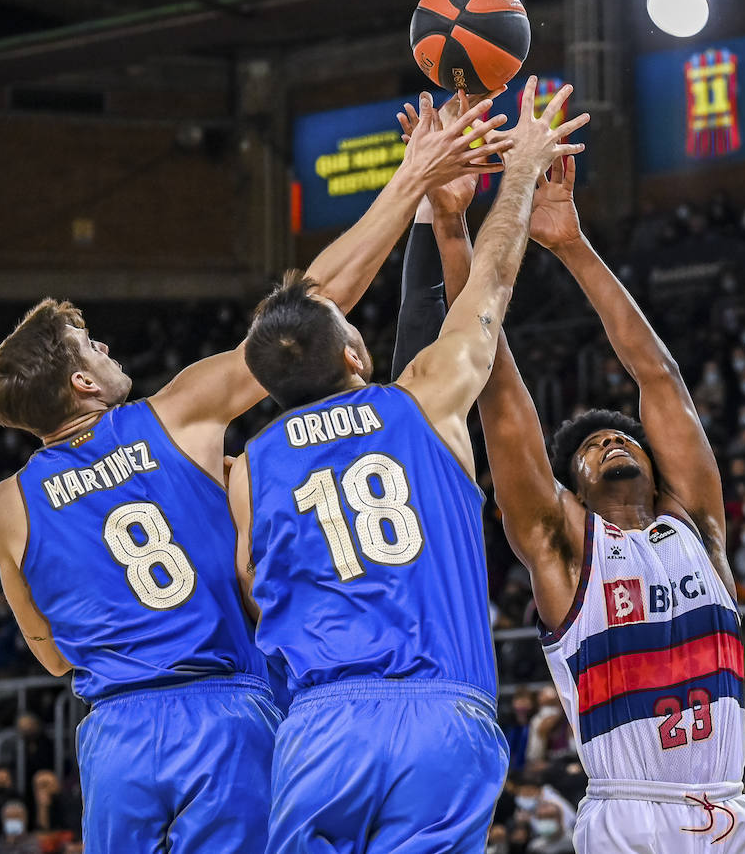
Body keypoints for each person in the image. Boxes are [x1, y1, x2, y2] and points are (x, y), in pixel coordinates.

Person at [0, 89, 511, 851]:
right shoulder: (174, 415)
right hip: (224, 708)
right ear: (83, 387)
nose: (108, 351)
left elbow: (53, 652)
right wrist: (411, 179)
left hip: (115, 734)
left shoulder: (9, 506)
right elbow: (301, 321)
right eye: (93, 346)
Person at [232, 79, 585, 854]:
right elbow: (489, 287)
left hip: (321, 726)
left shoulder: (250, 466)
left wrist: (431, 201)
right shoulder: (422, 400)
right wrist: (518, 170)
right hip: (437, 710)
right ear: (356, 354)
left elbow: (255, 587)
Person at [426, 128, 745, 846]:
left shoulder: (696, 528)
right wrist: (453, 233)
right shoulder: (566, 545)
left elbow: (657, 378)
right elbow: (497, 390)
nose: (611, 440)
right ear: (570, 490)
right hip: (628, 813)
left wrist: (571, 244)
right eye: (589, 448)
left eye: (622, 437)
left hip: (730, 812)